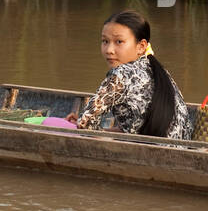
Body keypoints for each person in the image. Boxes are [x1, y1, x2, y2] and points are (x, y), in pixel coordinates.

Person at [65, 9, 193, 139]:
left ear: (141, 46)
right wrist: (96, 126)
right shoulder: (158, 71)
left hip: (148, 155)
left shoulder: (122, 74)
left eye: (119, 42)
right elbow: (134, 129)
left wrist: (82, 120)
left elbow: (85, 124)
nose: (109, 50)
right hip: (177, 151)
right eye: (105, 41)